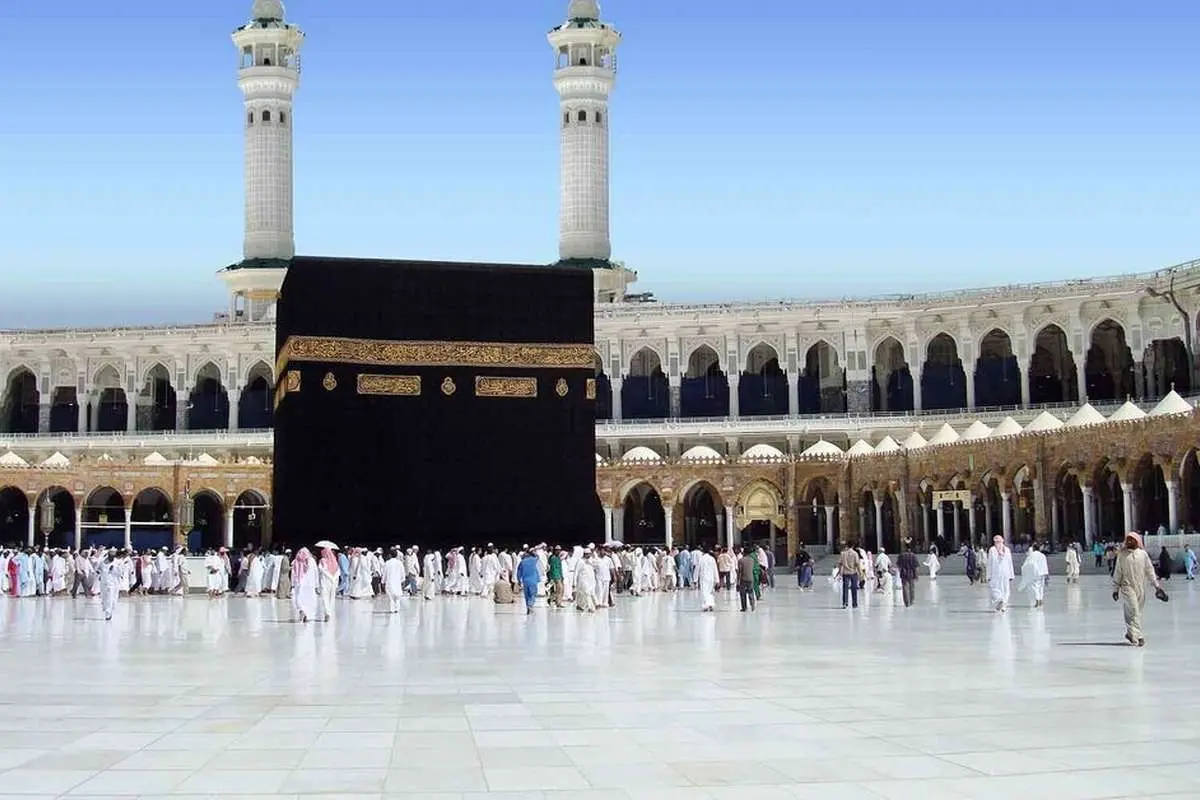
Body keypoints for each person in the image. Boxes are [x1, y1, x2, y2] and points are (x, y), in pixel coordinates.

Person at [1112, 532, 1164, 647]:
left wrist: (1157, 587)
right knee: (1134, 610)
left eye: (1132, 540)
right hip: (1127, 587)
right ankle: (1139, 636)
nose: (1129, 542)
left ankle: (1131, 633)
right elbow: (1118, 572)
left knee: (1136, 613)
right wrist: (1115, 589)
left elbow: (1150, 571)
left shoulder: (1143, 554)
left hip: (1140, 587)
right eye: (1128, 540)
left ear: (1137, 541)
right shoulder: (1122, 555)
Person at [987, 535, 1015, 613]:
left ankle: (1004, 605)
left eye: (999, 541)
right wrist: (989, 575)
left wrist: (1011, 574)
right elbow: (990, 563)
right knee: (995, 589)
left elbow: (1009, 562)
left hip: (1005, 572)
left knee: (1006, 589)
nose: (998, 543)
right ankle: (1000, 600)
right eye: (996, 542)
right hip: (995, 573)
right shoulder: (992, 550)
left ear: (1003, 541)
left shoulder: (1007, 550)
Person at [291, 548, 319, 623]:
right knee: (309, 600)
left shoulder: (296, 561)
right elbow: (316, 572)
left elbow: (293, 574)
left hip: (299, 584)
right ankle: (307, 615)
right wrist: (316, 584)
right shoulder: (312, 561)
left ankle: (302, 611)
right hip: (310, 584)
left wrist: (292, 584)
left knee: (299, 598)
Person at [1018, 543, 1050, 608]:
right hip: (1042, 573)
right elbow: (1045, 565)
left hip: (1035, 573)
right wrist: (1047, 574)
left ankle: (1037, 599)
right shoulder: (1043, 555)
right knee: (1041, 587)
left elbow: (1028, 564)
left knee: (1035, 587)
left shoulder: (1032, 555)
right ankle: (1040, 599)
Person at [317, 547, 339, 621]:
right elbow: (338, 572)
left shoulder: (322, 561)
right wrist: (333, 579)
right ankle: (329, 612)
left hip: (325, 582)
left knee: (325, 597)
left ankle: (327, 613)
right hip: (333, 582)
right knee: (331, 598)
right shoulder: (334, 561)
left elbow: (320, 569)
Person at [98, 551, 121, 621]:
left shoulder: (117, 563)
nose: (112, 558)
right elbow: (98, 569)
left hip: (112, 583)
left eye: (113, 556)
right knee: (104, 598)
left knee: (110, 598)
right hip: (103, 582)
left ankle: (108, 613)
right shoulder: (102, 561)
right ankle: (107, 609)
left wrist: (113, 570)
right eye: (110, 556)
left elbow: (120, 573)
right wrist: (99, 574)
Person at [837, 542, 860, 609]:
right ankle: (854, 603)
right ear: (853, 546)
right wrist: (860, 572)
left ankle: (845, 603)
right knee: (854, 588)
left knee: (845, 588)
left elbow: (840, 563)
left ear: (847, 546)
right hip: (853, 572)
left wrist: (839, 571)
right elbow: (857, 564)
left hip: (845, 573)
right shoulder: (855, 553)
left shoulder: (843, 553)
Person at [516, 550, 540, 615]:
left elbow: (518, 573)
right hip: (533, 580)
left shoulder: (522, 562)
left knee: (527, 595)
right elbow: (538, 557)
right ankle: (530, 605)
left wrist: (519, 581)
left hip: (525, 581)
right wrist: (534, 553)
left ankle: (528, 608)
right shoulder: (533, 560)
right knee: (533, 594)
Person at [382, 548, 406, 613]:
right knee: (397, 597)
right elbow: (402, 573)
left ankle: (392, 609)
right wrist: (403, 580)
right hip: (397, 582)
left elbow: (384, 573)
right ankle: (397, 609)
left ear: (390, 555)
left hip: (389, 582)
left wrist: (383, 581)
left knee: (391, 597)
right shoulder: (400, 563)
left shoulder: (387, 563)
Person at [897, 541, 919, 607]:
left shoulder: (901, 555)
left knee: (905, 588)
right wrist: (916, 575)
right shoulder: (913, 556)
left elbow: (898, 566)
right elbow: (916, 567)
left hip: (904, 573)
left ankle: (906, 602)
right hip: (911, 573)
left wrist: (900, 572)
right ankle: (911, 601)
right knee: (912, 588)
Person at [696, 547, 718, 612]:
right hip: (711, 578)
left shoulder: (701, 559)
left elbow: (697, 569)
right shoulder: (712, 559)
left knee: (704, 592)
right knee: (710, 592)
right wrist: (717, 580)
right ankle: (710, 604)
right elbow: (715, 569)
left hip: (703, 578)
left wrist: (695, 579)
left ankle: (706, 605)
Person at [736, 548, 757, 612]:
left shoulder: (740, 560)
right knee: (751, 592)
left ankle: (744, 607)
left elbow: (739, 572)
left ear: (744, 553)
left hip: (743, 579)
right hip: (750, 578)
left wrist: (737, 582)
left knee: (743, 594)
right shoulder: (752, 560)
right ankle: (752, 605)